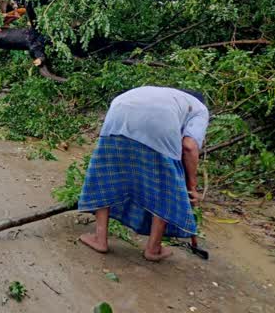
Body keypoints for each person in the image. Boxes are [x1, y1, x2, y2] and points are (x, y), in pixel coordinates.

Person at [78, 86, 209, 261]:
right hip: (159, 124)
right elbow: (189, 146)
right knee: (164, 187)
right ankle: (153, 249)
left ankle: (99, 239)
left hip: (119, 111)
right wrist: (192, 186)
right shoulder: (200, 108)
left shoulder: (168, 95)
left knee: (107, 176)